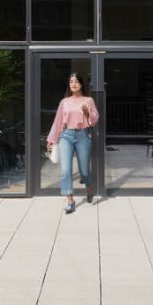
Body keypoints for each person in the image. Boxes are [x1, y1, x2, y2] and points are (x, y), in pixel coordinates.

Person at [45, 72, 99, 214]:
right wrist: (51, 140)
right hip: (66, 136)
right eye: (71, 81)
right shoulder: (64, 102)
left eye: (76, 81)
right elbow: (57, 122)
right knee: (65, 170)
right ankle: (70, 200)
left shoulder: (88, 100)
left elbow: (94, 121)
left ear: (81, 84)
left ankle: (89, 188)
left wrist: (87, 113)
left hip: (83, 135)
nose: (73, 84)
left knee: (84, 171)